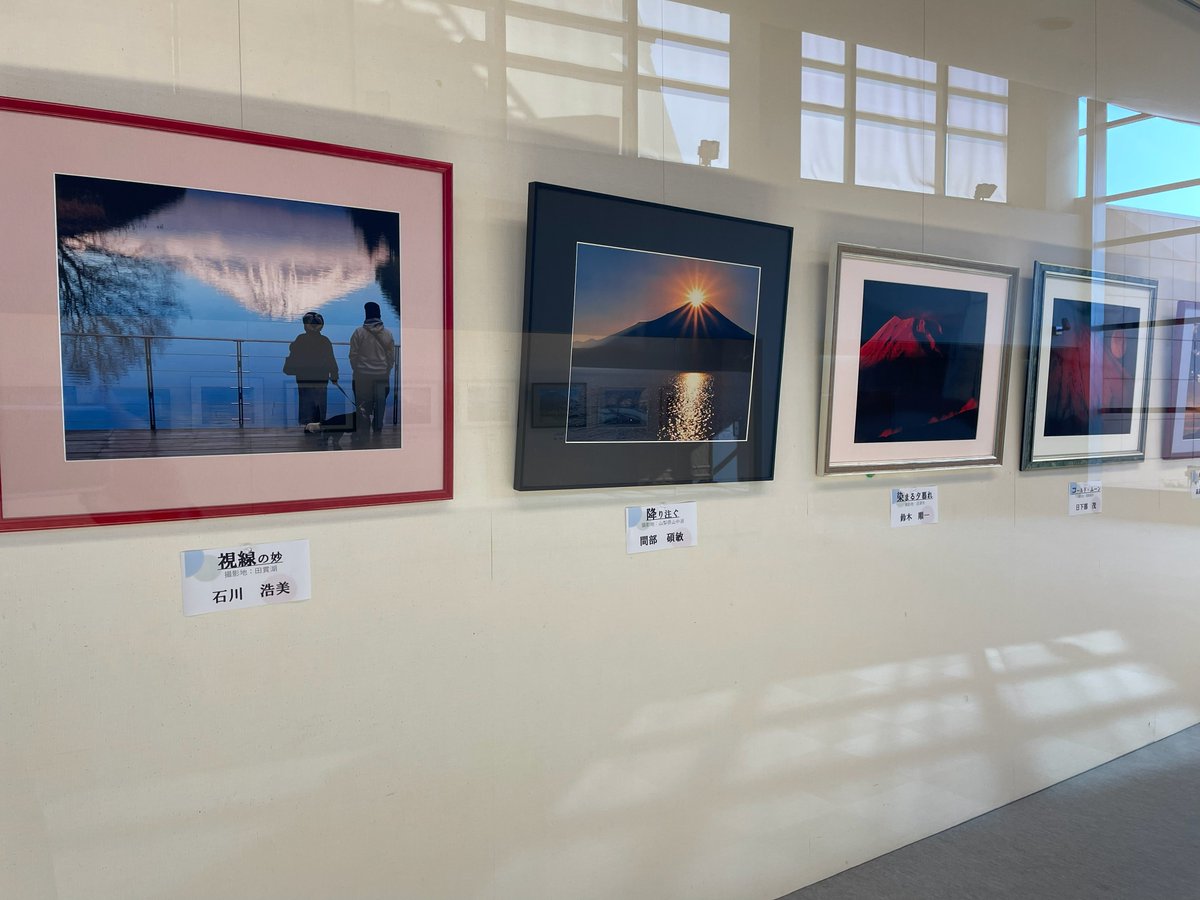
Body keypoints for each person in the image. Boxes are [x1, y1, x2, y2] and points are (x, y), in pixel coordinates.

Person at [283, 311, 339, 430]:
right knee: (320, 403)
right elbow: (331, 359)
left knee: (306, 402)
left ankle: (307, 425)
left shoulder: (301, 339)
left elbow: (294, 353)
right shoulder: (325, 341)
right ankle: (319, 424)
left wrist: (292, 346)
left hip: (304, 377)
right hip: (321, 377)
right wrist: (334, 375)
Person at [349, 301, 396, 436]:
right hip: (381, 375)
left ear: (366, 315)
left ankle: (363, 429)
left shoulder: (358, 333)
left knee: (362, 404)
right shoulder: (388, 334)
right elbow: (391, 358)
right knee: (380, 404)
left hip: (362, 375)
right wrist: (386, 370)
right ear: (379, 315)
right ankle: (377, 430)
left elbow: (353, 355)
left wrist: (357, 369)